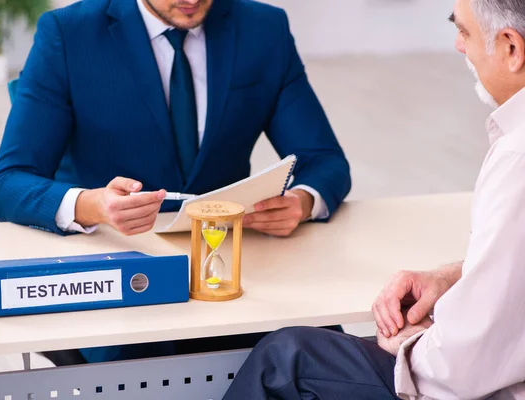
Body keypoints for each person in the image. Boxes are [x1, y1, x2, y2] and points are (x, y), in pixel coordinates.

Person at [0, 0, 351, 363]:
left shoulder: (264, 28)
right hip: (122, 285)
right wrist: (92, 206)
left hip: (234, 276)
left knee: (325, 358)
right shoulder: (68, 33)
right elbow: (9, 182)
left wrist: (302, 202)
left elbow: (324, 160)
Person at [223, 0, 525, 399]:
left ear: (511, 48)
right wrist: (452, 277)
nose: (457, 45)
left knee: (286, 358)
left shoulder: (515, 157)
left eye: (465, 32)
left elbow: (458, 370)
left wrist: (411, 343)